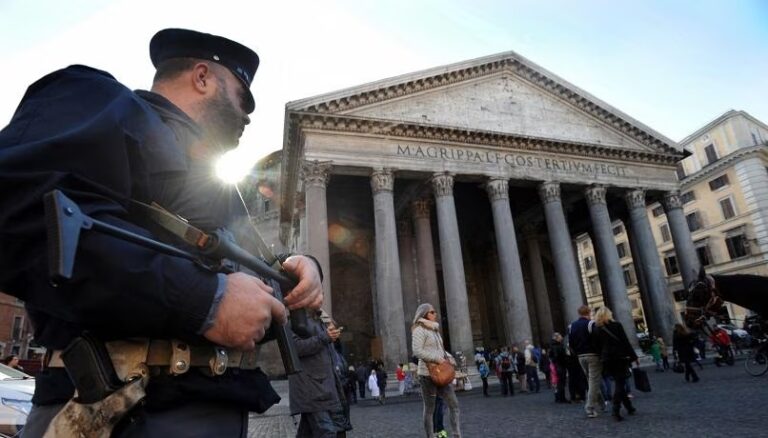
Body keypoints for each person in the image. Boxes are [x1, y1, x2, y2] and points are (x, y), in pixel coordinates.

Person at [0, 28, 325, 437]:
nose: (247, 116)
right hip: (115, 415)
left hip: (212, 409)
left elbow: (250, 279)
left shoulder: (219, 188)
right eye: (244, 98)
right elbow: (20, 209)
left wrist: (303, 271)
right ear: (202, 77)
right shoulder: (98, 98)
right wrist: (204, 299)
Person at [288, 311, 349, 437]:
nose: (320, 298)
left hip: (328, 387)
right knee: (327, 432)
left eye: (321, 294)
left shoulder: (322, 319)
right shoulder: (292, 320)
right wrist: (325, 337)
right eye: (317, 293)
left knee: (337, 430)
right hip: (312, 388)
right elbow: (295, 348)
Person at [412, 303, 461, 438]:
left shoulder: (434, 329)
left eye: (435, 312)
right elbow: (417, 351)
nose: (435, 314)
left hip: (442, 374)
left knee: (454, 405)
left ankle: (457, 434)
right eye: (432, 312)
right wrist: (438, 359)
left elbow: (439, 350)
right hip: (427, 375)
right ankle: (430, 436)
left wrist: (448, 358)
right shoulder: (419, 330)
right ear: (425, 314)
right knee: (429, 409)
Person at [593, 307, 637, 422]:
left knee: (619, 382)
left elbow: (597, 347)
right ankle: (615, 409)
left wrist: (602, 358)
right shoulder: (616, 325)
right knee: (620, 383)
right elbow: (625, 341)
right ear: (608, 315)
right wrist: (634, 357)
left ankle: (629, 407)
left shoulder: (597, 329)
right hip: (620, 357)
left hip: (607, 360)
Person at [568, 305, 602, 418]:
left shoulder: (572, 326)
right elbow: (597, 340)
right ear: (588, 312)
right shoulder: (591, 324)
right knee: (593, 380)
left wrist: (576, 352)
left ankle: (601, 403)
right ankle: (590, 408)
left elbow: (571, 343)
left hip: (580, 356)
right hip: (592, 355)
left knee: (591, 380)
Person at [549, 333, 569, 403]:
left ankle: (558, 397)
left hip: (556, 366)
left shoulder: (552, 346)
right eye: (560, 336)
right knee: (561, 382)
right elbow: (559, 357)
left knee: (558, 382)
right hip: (560, 366)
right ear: (556, 338)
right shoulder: (558, 346)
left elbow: (551, 356)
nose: (561, 337)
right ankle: (562, 398)